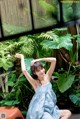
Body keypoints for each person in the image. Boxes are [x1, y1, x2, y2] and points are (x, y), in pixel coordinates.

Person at [15, 53, 72, 119]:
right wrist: (22, 57)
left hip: (51, 109)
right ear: (34, 73)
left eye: (42, 68)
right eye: (38, 70)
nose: (42, 71)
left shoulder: (47, 76)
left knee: (68, 113)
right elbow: (24, 71)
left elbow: (54, 60)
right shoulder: (35, 83)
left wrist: (38, 59)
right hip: (41, 111)